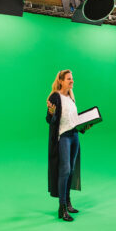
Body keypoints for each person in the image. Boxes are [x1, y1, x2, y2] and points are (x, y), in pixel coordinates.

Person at [46, 70, 91, 222]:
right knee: (64, 170)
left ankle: (68, 202)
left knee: (71, 169)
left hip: (74, 136)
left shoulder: (71, 98)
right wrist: (51, 113)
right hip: (63, 137)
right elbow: (49, 118)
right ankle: (62, 207)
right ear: (61, 81)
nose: (72, 81)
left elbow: (74, 120)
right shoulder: (55, 97)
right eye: (69, 79)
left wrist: (84, 126)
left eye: (72, 79)